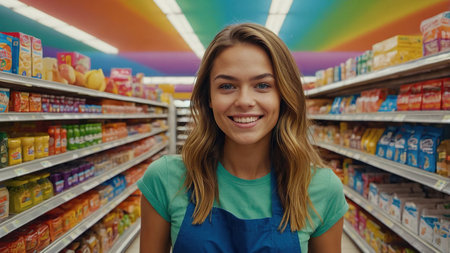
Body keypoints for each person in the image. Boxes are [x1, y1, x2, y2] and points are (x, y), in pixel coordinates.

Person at [138, 23, 348, 253]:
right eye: (227, 86)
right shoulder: (166, 179)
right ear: (208, 97)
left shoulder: (321, 188)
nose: (244, 100)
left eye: (262, 85)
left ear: (284, 95)